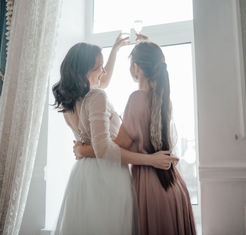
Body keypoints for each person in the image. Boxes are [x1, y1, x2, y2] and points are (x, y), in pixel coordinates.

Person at [51, 36, 173, 235]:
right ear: (85, 71)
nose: (104, 71)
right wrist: (150, 160)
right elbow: (105, 150)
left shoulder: (69, 101)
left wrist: (115, 50)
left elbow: (102, 81)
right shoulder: (97, 96)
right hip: (106, 175)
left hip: (82, 175)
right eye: (99, 66)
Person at [74, 41, 196, 235]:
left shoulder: (137, 98)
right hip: (174, 185)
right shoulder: (165, 99)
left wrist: (83, 150)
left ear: (136, 67)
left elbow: (114, 147)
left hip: (151, 187)